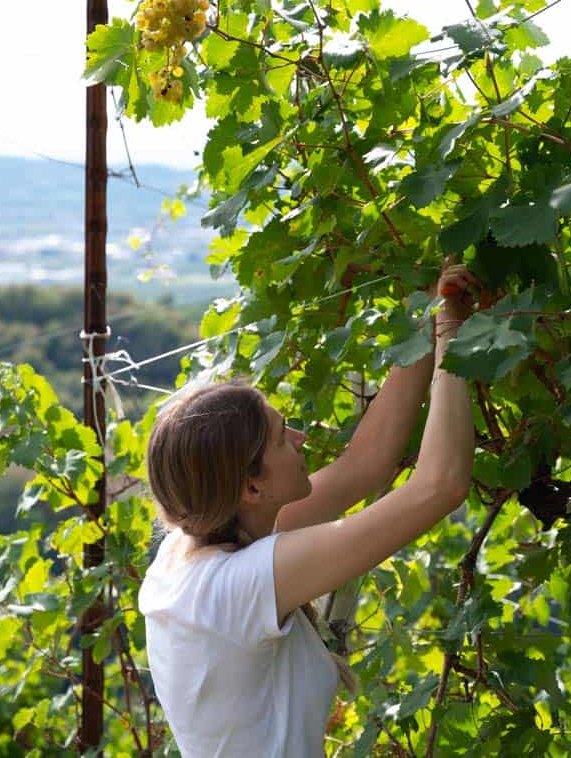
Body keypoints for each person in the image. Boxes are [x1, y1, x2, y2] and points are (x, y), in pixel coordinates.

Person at [137, 263, 478, 757]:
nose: (300, 438)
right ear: (251, 487)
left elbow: (366, 463)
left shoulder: (194, 548)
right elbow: (439, 486)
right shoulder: (239, 585)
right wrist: (452, 337)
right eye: (281, 435)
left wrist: (430, 315)